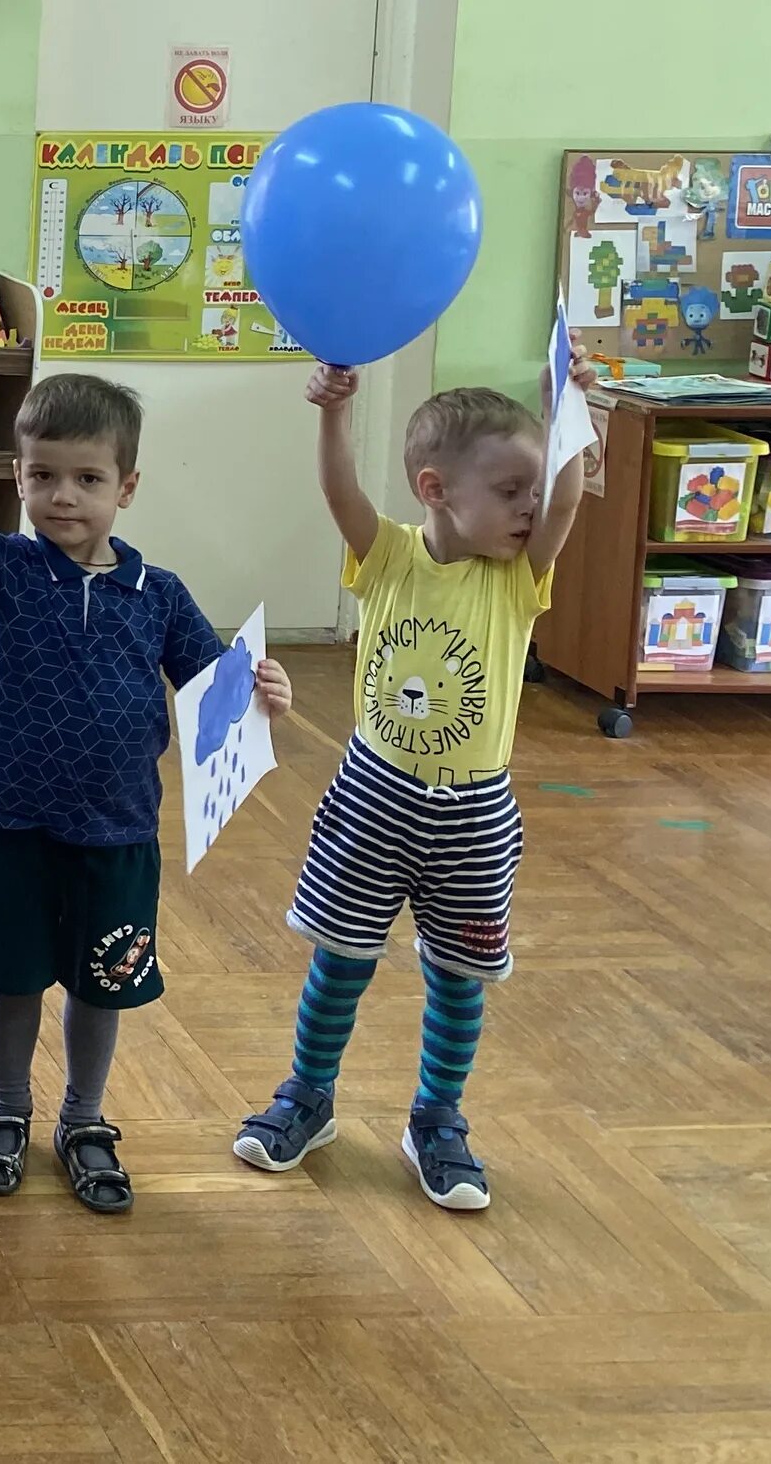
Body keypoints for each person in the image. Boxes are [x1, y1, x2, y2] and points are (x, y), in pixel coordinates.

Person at [0, 365, 292, 1213]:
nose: (64, 497)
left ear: (128, 487)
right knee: (14, 978)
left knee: (98, 983)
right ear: (18, 478)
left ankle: (84, 1118)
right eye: (42, 476)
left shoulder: (160, 596)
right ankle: (7, 1107)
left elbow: (211, 691)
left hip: (118, 835)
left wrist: (263, 688)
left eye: (88, 479)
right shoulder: (5, 567)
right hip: (16, 823)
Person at [232, 360, 589, 1213]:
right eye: (511, 490)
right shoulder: (389, 557)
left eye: (533, 489)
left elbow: (569, 504)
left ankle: (437, 1119)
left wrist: (565, 419)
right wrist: (334, 414)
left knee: (459, 978)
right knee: (341, 959)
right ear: (435, 488)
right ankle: (307, 1098)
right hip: (371, 801)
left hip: (474, 817)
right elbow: (340, 490)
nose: (530, 507)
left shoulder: (517, 580)